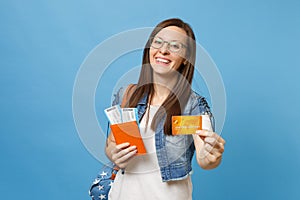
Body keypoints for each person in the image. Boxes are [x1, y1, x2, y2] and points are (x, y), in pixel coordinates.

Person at [105, 18, 226, 200]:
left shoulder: (193, 106)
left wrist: (211, 156)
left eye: (175, 46)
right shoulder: (127, 94)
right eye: (158, 42)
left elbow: (205, 158)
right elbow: (111, 144)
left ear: (185, 59)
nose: (163, 50)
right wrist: (113, 153)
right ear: (149, 49)